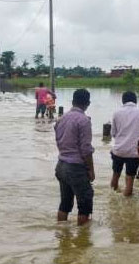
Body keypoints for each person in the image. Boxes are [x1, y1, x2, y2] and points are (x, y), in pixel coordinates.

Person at [53, 87, 95, 225]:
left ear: (72, 101)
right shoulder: (84, 121)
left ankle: (62, 236)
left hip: (61, 165)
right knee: (85, 203)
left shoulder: (61, 118)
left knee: (65, 203)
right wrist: (91, 170)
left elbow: (58, 140)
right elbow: (86, 150)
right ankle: (82, 241)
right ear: (88, 103)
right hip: (75, 167)